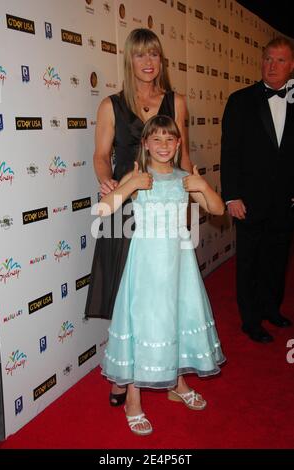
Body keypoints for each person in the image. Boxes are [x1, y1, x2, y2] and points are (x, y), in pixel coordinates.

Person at [96, 115, 226, 435]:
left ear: (179, 143)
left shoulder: (185, 178)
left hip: (179, 263)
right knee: (146, 322)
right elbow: (104, 209)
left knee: (177, 318)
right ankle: (133, 398)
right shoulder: (139, 177)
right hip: (146, 265)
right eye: (157, 139)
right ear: (145, 144)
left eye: (170, 140)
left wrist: (203, 186)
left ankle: (176, 383)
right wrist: (128, 185)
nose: (164, 146)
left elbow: (219, 210)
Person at [84, 28, 192, 406]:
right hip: (126, 205)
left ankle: (163, 364)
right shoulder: (111, 104)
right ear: (129, 60)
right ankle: (122, 372)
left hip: (162, 208)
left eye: (155, 56)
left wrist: (189, 199)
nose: (149, 63)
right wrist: (106, 179)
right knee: (122, 291)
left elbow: (184, 158)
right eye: (141, 56)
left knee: (160, 294)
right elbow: (101, 154)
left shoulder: (175, 102)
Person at [220, 36, 294, 343]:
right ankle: (250, 319)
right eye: (267, 58)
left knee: (277, 258)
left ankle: (270, 309)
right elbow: (230, 152)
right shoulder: (240, 100)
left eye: (279, 60)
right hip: (248, 200)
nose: (271, 65)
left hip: (286, 200)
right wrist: (231, 195)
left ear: (291, 66)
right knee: (249, 261)